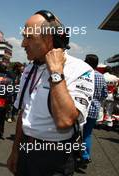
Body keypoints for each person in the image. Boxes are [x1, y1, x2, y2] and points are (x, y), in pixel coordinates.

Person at [7, 10, 94, 176]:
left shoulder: (81, 70)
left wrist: (55, 72)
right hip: (25, 148)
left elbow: (65, 120)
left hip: (55, 156)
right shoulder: (29, 68)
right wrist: (15, 151)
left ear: (48, 39)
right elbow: (23, 113)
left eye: (29, 37)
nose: (23, 44)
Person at [80, 54, 107, 168]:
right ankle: (85, 156)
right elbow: (104, 94)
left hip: (81, 107)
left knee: (75, 132)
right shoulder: (101, 76)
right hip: (94, 108)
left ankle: (71, 153)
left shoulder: (82, 74)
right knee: (87, 134)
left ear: (86, 62)